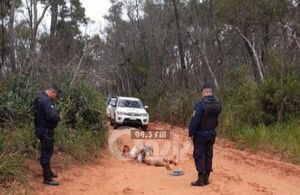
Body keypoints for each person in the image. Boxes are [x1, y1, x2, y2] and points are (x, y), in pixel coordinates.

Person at [189, 83, 221, 186]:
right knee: (209, 154)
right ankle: (207, 177)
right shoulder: (217, 104)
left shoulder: (201, 104)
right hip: (212, 133)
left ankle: (201, 179)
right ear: (211, 92)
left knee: (199, 155)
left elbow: (195, 120)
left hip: (201, 134)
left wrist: (191, 133)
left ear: (204, 92)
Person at [33, 84, 61, 186]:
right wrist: (58, 117)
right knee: (46, 152)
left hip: (41, 129)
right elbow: (52, 116)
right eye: (56, 95)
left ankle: (48, 172)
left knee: (47, 151)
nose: (55, 98)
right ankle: (47, 178)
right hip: (45, 130)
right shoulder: (46, 101)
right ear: (52, 92)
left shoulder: (39, 98)